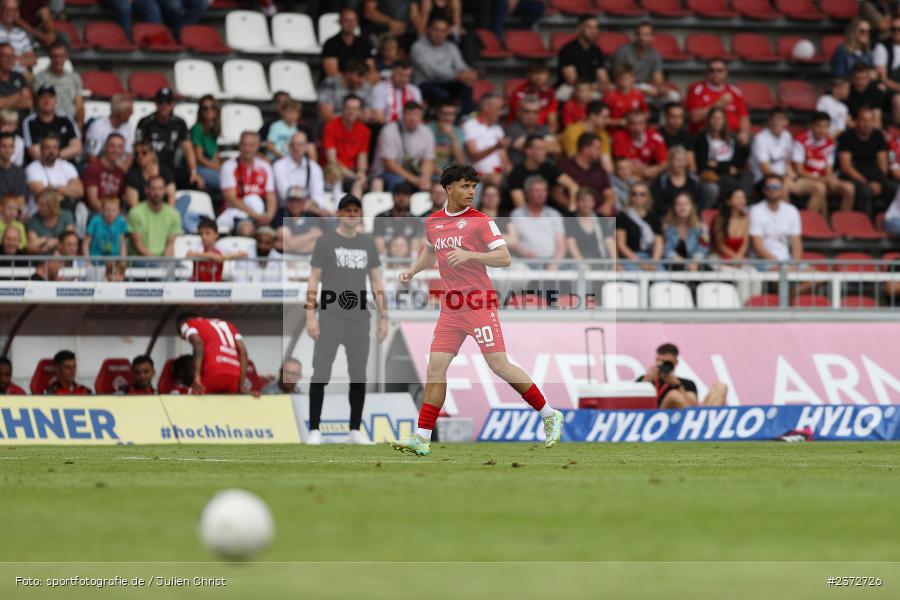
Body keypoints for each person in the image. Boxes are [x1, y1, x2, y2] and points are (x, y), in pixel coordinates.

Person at [389, 164, 564, 456]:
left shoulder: (481, 221)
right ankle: (422, 437)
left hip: (479, 303)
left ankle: (549, 414)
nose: (471, 192)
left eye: (474, 186)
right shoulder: (433, 222)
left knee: (498, 365)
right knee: (435, 370)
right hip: (451, 307)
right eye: (465, 186)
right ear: (449, 189)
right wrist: (413, 270)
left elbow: (504, 257)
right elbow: (431, 250)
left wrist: (470, 254)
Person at [305, 194, 388, 446]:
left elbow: (376, 281)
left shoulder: (368, 243)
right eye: (348, 210)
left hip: (359, 318)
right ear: (340, 213)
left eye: (356, 210)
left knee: (358, 374)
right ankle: (315, 429)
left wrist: (384, 317)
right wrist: (310, 314)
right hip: (330, 316)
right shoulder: (325, 242)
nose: (352, 214)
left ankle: (354, 429)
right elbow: (313, 279)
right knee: (321, 372)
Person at [752, 107, 826, 216]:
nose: (777, 122)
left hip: (786, 178)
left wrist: (792, 175)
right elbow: (765, 169)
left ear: (786, 122)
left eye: (781, 119)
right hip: (764, 179)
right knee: (783, 187)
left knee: (819, 188)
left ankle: (809, 222)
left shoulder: (787, 136)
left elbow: (787, 161)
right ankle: (785, 221)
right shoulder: (760, 138)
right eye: (774, 119)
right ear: (769, 121)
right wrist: (783, 179)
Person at [135, 87, 202, 190]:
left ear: (173, 104)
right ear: (156, 103)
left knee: (195, 183)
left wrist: (194, 172)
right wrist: (152, 170)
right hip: (150, 168)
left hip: (172, 168)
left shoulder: (179, 123)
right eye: (161, 102)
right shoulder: (145, 123)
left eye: (168, 102)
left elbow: (188, 147)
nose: (164, 105)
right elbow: (139, 149)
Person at [792, 111, 856, 215]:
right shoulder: (800, 140)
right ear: (811, 125)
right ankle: (810, 223)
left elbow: (828, 169)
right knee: (820, 188)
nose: (822, 130)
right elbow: (799, 171)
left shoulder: (829, 143)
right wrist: (822, 180)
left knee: (849, 188)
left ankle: (842, 223)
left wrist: (830, 179)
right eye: (819, 126)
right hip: (804, 180)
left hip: (823, 180)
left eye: (826, 127)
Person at [410, 15, 475, 114]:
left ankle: (466, 117)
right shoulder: (418, 47)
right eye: (436, 30)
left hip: (448, 81)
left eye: (443, 31)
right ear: (428, 30)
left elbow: (460, 65)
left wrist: (468, 72)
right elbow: (431, 72)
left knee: (467, 85)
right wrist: (457, 76)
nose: (439, 34)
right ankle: (443, 120)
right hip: (425, 83)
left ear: (448, 32)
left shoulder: (451, 46)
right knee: (443, 95)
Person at [177, 312, 252, 394]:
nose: (182, 337)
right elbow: (243, 352)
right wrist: (241, 385)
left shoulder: (186, 324)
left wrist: (196, 377)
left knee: (193, 398)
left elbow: (198, 343)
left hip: (213, 371)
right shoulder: (227, 325)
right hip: (234, 375)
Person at [837, 106, 894, 215]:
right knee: (866, 190)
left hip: (874, 174)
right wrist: (867, 182)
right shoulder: (846, 136)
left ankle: (890, 219)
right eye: (863, 120)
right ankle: (864, 224)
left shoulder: (878, 136)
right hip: (854, 174)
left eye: (870, 120)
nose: (867, 124)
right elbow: (846, 167)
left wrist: (878, 181)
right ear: (857, 121)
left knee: (895, 189)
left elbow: (883, 163)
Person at [218, 131, 277, 235]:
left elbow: (271, 196)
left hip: (261, 214)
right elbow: (231, 199)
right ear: (239, 145)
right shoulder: (229, 166)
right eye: (244, 145)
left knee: (276, 234)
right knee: (247, 230)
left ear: (258, 146)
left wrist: (269, 216)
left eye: (251, 145)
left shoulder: (265, 167)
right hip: (238, 212)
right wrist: (255, 216)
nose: (247, 149)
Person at [637, 343, 727, 409]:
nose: (663, 365)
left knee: (721, 387)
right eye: (660, 361)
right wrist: (647, 380)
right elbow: (633, 405)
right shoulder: (644, 380)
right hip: (655, 418)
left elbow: (692, 404)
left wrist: (677, 385)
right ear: (656, 360)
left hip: (685, 418)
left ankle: (706, 422)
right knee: (673, 395)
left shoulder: (686, 383)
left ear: (675, 363)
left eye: (667, 363)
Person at [371, 100, 435, 191]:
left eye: (416, 115)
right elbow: (390, 164)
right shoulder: (389, 131)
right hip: (385, 173)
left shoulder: (426, 132)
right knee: (398, 182)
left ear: (421, 116)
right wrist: (415, 180)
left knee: (438, 181)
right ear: (402, 115)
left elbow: (428, 161)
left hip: (413, 172)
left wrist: (425, 179)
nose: (413, 118)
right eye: (409, 114)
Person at [693, 107, 750, 209]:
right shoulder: (701, 139)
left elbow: (739, 162)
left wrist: (744, 146)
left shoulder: (732, 138)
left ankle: (743, 208)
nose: (716, 121)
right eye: (713, 118)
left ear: (724, 121)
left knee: (748, 176)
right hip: (711, 176)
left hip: (729, 175)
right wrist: (727, 167)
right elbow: (703, 164)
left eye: (719, 118)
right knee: (723, 185)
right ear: (708, 120)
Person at [506, 134, 578, 214]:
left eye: (544, 149)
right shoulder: (516, 173)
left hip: (549, 213)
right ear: (528, 151)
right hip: (528, 216)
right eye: (540, 149)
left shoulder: (548, 167)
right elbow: (520, 205)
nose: (544, 152)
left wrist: (573, 206)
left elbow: (573, 185)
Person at [686, 58, 750, 140]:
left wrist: (744, 132)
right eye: (711, 70)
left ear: (726, 72)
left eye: (719, 70)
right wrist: (719, 103)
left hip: (733, 135)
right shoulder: (696, 89)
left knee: (749, 140)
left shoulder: (735, 91)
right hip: (706, 135)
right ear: (706, 72)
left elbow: (744, 117)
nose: (715, 73)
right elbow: (694, 117)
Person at [611, 22, 674, 105]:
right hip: (624, 86)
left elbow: (657, 76)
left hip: (644, 86)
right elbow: (619, 78)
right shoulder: (623, 50)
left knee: (673, 96)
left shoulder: (654, 53)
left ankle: (662, 118)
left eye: (646, 35)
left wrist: (660, 89)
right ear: (636, 35)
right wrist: (644, 90)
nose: (642, 37)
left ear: (653, 37)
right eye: (639, 34)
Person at [509, 175, 565, 267]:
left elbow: (561, 244)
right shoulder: (517, 214)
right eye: (537, 190)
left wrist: (554, 265)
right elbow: (513, 240)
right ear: (527, 193)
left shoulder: (554, 214)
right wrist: (525, 253)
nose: (541, 194)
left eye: (543, 190)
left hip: (552, 261)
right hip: (525, 262)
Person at [749, 174, 803, 268]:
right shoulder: (755, 210)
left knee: (819, 278)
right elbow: (758, 247)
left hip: (787, 260)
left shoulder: (792, 210)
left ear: (782, 190)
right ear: (764, 190)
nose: (772, 190)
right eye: (769, 187)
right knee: (778, 278)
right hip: (762, 260)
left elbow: (796, 242)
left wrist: (794, 264)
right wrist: (780, 266)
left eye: (776, 187)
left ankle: (790, 280)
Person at [322, 94, 370, 199]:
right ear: (343, 109)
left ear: (360, 111)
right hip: (335, 170)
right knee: (354, 183)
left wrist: (361, 173)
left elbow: (362, 157)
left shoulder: (364, 130)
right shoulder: (331, 126)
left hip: (353, 172)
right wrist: (353, 176)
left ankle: (355, 212)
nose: (351, 112)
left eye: (355, 109)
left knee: (367, 182)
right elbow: (332, 160)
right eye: (348, 108)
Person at [127, 174, 182, 258]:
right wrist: (157, 261)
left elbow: (170, 245)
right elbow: (138, 245)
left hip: (162, 259)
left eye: (160, 189)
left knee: (182, 269)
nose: (157, 192)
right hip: (140, 259)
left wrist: (165, 262)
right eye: (153, 188)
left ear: (165, 190)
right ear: (147, 190)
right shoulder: (135, 212)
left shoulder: (174, 214)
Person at [462, 93, 510, 187]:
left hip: (498, 174)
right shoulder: (470, 125)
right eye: (498, 108)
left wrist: (510, 170)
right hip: (477, 174)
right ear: (486, 108)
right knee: (497, 179)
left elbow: (504, 159)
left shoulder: (498, 129)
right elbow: (473, 156)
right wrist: (496, 146)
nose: (501, 113)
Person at [23, 85, 80, 162]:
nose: (47, 100)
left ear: (55, 100)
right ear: (37, 100)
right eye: (43, 97)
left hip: (66, 165)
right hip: (41, 166)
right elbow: (35, 153)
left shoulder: (66, 119)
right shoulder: (30, 122)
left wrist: (57, 155)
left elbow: (77, 148)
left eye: (50, 97)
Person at [557, 15, 608, 100]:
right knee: (585, 95)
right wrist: (591, 88)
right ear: (579, 28)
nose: (593, 31)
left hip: (591, 87)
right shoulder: (568, 49)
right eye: (589, 27)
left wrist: (603, 85)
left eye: (596, 27)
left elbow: (603, 76)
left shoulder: (596, 50)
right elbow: (572, 80)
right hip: (571, 88)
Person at [273, 131, 327, 212]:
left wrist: (308, 205)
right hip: (285, 211)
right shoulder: (279, 165)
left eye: (300, 145)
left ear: (306, 147)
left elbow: (318, 197)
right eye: (293, 144)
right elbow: (285, 195)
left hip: (308, 210)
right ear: (289, 146)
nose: (296, 148)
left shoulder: (314, 167)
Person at [616, 182, 663, 271]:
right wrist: (640, 263)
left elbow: (658, 242)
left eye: (642, 194)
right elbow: (621, 244)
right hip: (630, 259)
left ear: (647, 197)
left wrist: (653, 263)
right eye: (634, 194)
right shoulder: (622, 216)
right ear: (630, 196)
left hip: (650, 257)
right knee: (638, 278)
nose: (638, 197)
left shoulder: (653, 217)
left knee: (664, 279)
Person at [32, 42, 82, 124]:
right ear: (49, 57)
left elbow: (79, 106)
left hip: (70, 123)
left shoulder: (74, 78)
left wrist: (79, 125)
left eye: (61, 56)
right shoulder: (39, 78)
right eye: (54, 56)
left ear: (66, 56)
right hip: (48, 123)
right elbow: (38, 104)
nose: (58, 60)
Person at [612, 110, 668, 181]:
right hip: (630, 175)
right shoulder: (619, 137)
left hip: (652, 174)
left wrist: (652, 170)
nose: (637, 128)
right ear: (627, 125)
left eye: (640, 123)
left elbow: (664, 163)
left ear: (645, 124)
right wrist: (643, 173)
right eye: (633, 124)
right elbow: (623, 163)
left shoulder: (655, 136)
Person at [188, 216, 247, 283]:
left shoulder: (221, 247)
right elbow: (189, 254)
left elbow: (243, 253)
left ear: (216, 235)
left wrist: (223, 258)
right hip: (197, 286)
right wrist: (210, 255)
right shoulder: (198, 246)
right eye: (201, 234)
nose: (204, 237)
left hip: (216, 287)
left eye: (207, 233)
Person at [321, 7, 376, 79]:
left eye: (353, 20)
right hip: (337, 85)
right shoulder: (330, 44)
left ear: (357, 22)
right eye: (347, 20)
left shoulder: (364, 43)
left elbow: (371, 70)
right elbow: (332, 73)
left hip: (360, 83)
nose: (350, 23)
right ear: (340, 22)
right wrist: (354, 79)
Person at [505, 95, 559, 167]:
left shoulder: (543, 129)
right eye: (526, 112)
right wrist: (546, 144)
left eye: (535, 112)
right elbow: (521, 146)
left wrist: (535, 146)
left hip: (548, 171)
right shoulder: (512, 129)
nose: (531, 116)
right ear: (519, 112)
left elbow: (557, 149)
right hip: (524, 173)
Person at [560, 99, 613, 172]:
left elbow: (607, 164)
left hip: (595, 172)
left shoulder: (603, 134)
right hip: (573, 172)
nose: (607, 121)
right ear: (592, 116)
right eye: (604, 117)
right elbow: (575, 162)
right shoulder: (573, 131)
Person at [565, 187, 616, 261]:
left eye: (589, 201)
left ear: (594, 202)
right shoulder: (570, 218)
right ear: (577, 202)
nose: (586, 204)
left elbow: (609, 241)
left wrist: (614, 263)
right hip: (577, 263)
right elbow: (571, 244)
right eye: (582, 201)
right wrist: (582, 264)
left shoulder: (600, 218)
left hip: (600, 260)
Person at [372, 181, 422, 255]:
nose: (402, 198)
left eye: (405, 195)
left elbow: (414, 249)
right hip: (386, 261)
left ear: (409, 198)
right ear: (393, 197)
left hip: (407, 262)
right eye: (398, 194)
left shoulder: (415, 220)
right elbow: (380, 248)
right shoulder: (380, 218)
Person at [367, 59, 423, 125]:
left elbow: (418, 116)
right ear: (392, 72)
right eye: (400, 75)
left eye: (407, 76)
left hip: (411, 129)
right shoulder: (379, 89)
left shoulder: (415, 90)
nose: (404, 79)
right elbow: (378, 118)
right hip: (387, 128)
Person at [84, 93, 133, 167]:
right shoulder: (97, 126)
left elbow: (128, 154)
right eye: (129, 111)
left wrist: (122, 172)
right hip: (98, 167)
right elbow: (91, 156)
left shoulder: (128, 125)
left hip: (119, 168)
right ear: (120, 113)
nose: (132, 113)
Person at [662, 192, 708, 271]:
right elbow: (666, 249)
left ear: (692, 207)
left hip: (695, 266)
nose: (682, 207)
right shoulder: (666, 227)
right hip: (672, 266)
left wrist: (694, 262)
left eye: (686, 204)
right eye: (678, 204)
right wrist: (683, 263)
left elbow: (704, 247)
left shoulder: (701, 227)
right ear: (674, 207)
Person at [507, 62, 558, 132]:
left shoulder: (550, 94)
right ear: (528, 75)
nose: (539, 77)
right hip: (518, 129)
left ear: (547, 75)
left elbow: (552, 121)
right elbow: (523, 119)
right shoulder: (519, 93)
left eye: (542, 73)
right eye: (535, 73)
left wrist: (549, 135)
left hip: (540, 131)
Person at [82, 133, 126, 213]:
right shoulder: (93, 168)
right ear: (105, 147)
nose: (116, 150)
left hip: (114, 213)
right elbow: (93, 201)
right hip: (95, 213)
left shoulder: (121, 172)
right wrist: (112, 214)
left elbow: (122, 199)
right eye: (112, 146)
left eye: (119, 147)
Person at [317, 59, 372, 123]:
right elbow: (326, 116)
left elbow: (367, 115)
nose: (362, 81)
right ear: (348, 73)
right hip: (333, 126)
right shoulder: (330, 84)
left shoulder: (365, 87)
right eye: (360, 76)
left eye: (365, 77)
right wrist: (353, 116)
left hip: (357, 127)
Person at [124, 140, 175, 208]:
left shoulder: (165, 171)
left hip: (164, 212)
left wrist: (167, 216)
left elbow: (171, 197)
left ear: (152, 153)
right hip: (141, 215)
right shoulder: (132, 174)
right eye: (137, 154)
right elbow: (134, 205)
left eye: (144, 153)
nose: (140, 156)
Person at [274, 188, 324, 255]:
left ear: (303, 203)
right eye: (291, 200)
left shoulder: (309, 216)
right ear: (287, 202)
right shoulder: (280, 215)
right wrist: (310, 236)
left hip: (307, 258)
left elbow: (318, 238)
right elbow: (278, 244)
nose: (294, 204)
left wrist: (289, 245)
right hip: (285, 258)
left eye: (298, 201)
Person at [652, 146, 699, 217]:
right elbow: (657, 203)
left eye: (683, 160)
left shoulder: (694, 180)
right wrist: (676, 211)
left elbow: (697, 202)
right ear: (670, 162)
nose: (681, 164)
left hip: (689, 218)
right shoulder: (662, 180)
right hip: (667, 217)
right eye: (677, 160)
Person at [190, 95, 221, 194]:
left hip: (209, 165)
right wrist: (216, 168)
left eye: (212, 107)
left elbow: (215, 154)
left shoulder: (213, 128)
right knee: (225, 182)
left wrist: (219, 167)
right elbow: (199, 158)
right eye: (205, 108)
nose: (209, 110)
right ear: (200, 111)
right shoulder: (197, 128)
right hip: (200, 167)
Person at [26, 188, 72, 254]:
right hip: (42, 260)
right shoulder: (33, 220)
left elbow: (69, 241)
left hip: (63, 257)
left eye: (42, 205)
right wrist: (48, 240)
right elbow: (32, 246)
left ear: (51, 205)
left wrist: (44, 242)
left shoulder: (67, 216)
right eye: (38, 204)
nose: (38, 208)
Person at [710, 187, 750, 262]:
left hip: (740, 258)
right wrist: (735, 258)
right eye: (737, 197)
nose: (741, 201)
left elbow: (745, 243)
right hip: (721, 258)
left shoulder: (746, 219)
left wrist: (739, 257)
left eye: (743, 197)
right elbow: (720, 245)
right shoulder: (719, 219)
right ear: (728, 201)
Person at [873, 15, 900, 124]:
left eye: (899, 29)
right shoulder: (882, 47)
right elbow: (883, 78)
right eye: (893, 29)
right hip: (890, 90)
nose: (896, 32)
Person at [604, 65, 648, 130]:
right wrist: (619, 122)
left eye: (626, 78)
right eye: (621, 78)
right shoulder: (609, 97)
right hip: (615, 132)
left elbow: (646, 112)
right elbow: (603, 120)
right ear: (616, 79)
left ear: (633, 78)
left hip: (634, 131)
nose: (623, 81)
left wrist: (637, 121)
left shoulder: (638, 95)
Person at [429, 101, 465, 173]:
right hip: (430, 173)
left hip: (450, 174)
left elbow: (461, 162)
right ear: (438, 113)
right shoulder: (428, 129)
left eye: (451, 114)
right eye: (444, 114)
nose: (448, 117)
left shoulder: (458, 132)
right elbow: (422, 159)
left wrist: (452, 136)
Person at [846, 62, 884, 127]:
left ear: (868, 78)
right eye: (856, 78)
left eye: (863, 78)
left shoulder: (876, 92)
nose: (860, 82)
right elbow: (848, 123)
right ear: (851, 78)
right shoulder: (847, 93)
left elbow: (877, 123)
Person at [0, 0, 35, 70]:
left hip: (19, 77)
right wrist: (21, 58)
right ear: (0, 10)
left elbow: (33, 60)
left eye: (13, 10)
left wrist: (12, 61)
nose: (9, 13)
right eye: (6, 9)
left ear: (17, 13)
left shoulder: (21, 34)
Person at [659, 102, 695, 169]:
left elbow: (691, 164)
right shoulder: (657, 135)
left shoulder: (686, 136)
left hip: (683, 174)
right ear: (666, 117)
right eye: (673, 116)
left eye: (679, 117)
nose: (676, 120)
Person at [0, 42, 30, 111]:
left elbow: (28, 102)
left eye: (12, 56)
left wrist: (5, 102)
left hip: (22, 121)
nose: (10, 59)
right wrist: (18, 96)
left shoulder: (19, 76)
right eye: (5, 56)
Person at [0, 130, 24, 199]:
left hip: (14, 209)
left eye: (11, 146)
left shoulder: (19, 173)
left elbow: (21, 199)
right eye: (4, 146)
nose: (7, 150)